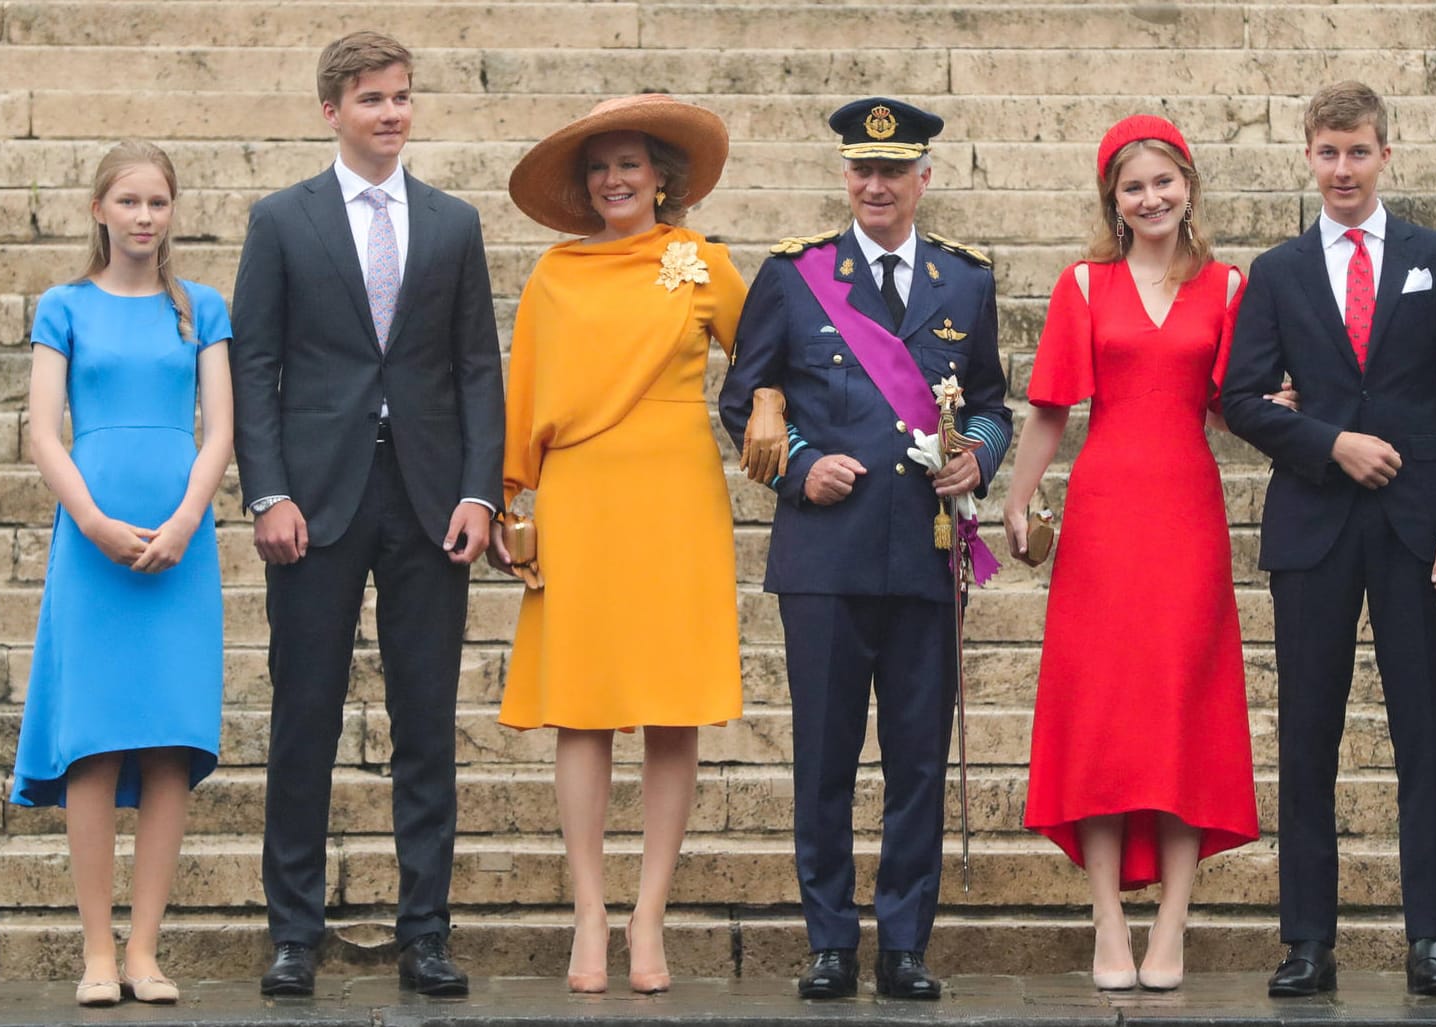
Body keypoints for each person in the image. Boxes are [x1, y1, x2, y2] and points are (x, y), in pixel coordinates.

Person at [230, 31, 505, 997]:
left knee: (425, 719)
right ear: (331, 112)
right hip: (314, 500)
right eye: (372, 99)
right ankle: (293, 932)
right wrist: (267, 491)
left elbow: (478, 365)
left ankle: (425, 928)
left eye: (401, 97)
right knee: (304, 713)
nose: (391, 113)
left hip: (431, 500)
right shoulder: (283, 220)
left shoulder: (452, 221)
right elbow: (251, 366)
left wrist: (481, 489)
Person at [719, 97, 1011, 1001]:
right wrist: (797, 466)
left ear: (925, 178)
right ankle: (830, 941)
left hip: (924, 553)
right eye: (861, 170)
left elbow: (996, 402)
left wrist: (980, 460)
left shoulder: (964, 282)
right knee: (826, 757)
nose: (875, 184)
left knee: (917, 758)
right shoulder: (796, 275)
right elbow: (743, 398)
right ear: (845, 177)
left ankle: (906, 943)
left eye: (893, 171)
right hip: (826, 557)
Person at [1221, 81, 1436, 998]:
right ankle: (1306, 939)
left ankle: (1430, 938)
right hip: (1314, 525)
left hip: (1419, 529)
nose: (1342, 168)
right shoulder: (1277, 270)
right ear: (1307, 155)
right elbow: (1241, 396)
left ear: (1384, 154)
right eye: (1327, 152)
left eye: (1358, 151)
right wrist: (1329, 442)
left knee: (1423, 729)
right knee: (1307, 735)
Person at [1006, 115, 1284, 992]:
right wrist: (1016, 494)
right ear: (1113, 202)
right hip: (1103, 515)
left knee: (1179, 711)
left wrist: (1292, 405)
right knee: (1099, 713)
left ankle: (1172, 921)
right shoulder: (1082, 285)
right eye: (1133, 187)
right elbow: (1050, 406)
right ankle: (1107, 922)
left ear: (1189, 186)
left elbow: (1235, 404)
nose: (1151, 197)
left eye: (1164, 181)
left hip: (1186, 516)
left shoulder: (1230, 286)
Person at [493, 94, 745, 996]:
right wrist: (509, 497)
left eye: (629, 164)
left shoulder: (704, 264)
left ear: (662, 177)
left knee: (673, 704)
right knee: (584, 705)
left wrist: (780, 408)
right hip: (582, 494)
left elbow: (764, 363)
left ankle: (650, 914)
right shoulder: (554, 275)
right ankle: (590, 911)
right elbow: (522, 389)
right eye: (598, 168)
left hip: (676, 492)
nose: (614, 180)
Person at [10, 139, 233, 1008]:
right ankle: (97, 951)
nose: (145, 216)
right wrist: (94, 521)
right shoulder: (63, 305)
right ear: (99, 209)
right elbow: (42, 431)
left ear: (172, 212)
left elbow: (218, 430)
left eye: (158, 202)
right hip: (92, 542)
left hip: (181, 545)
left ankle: (145, 949)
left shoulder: (201, 308)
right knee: (95, 745)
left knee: (171, 743)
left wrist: (185, 519)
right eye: (129, 201)